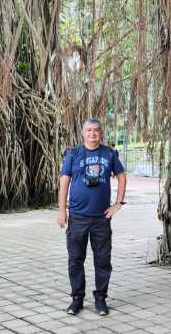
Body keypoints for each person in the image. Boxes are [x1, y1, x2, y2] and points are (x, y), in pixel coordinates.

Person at [57, 118, 127, 316]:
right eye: (89, 130)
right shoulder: (73, 154)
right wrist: (62, 210)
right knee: (75, 259)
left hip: (101, 218)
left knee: (103, 260)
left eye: (96, 130)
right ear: (83, 133)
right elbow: (64, 183)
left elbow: (121, 176)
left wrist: (118, 204)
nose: (92, 134)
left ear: (101, 132)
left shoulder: (109, 153)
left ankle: (100, 298)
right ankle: (77, 299)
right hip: (77, 217)